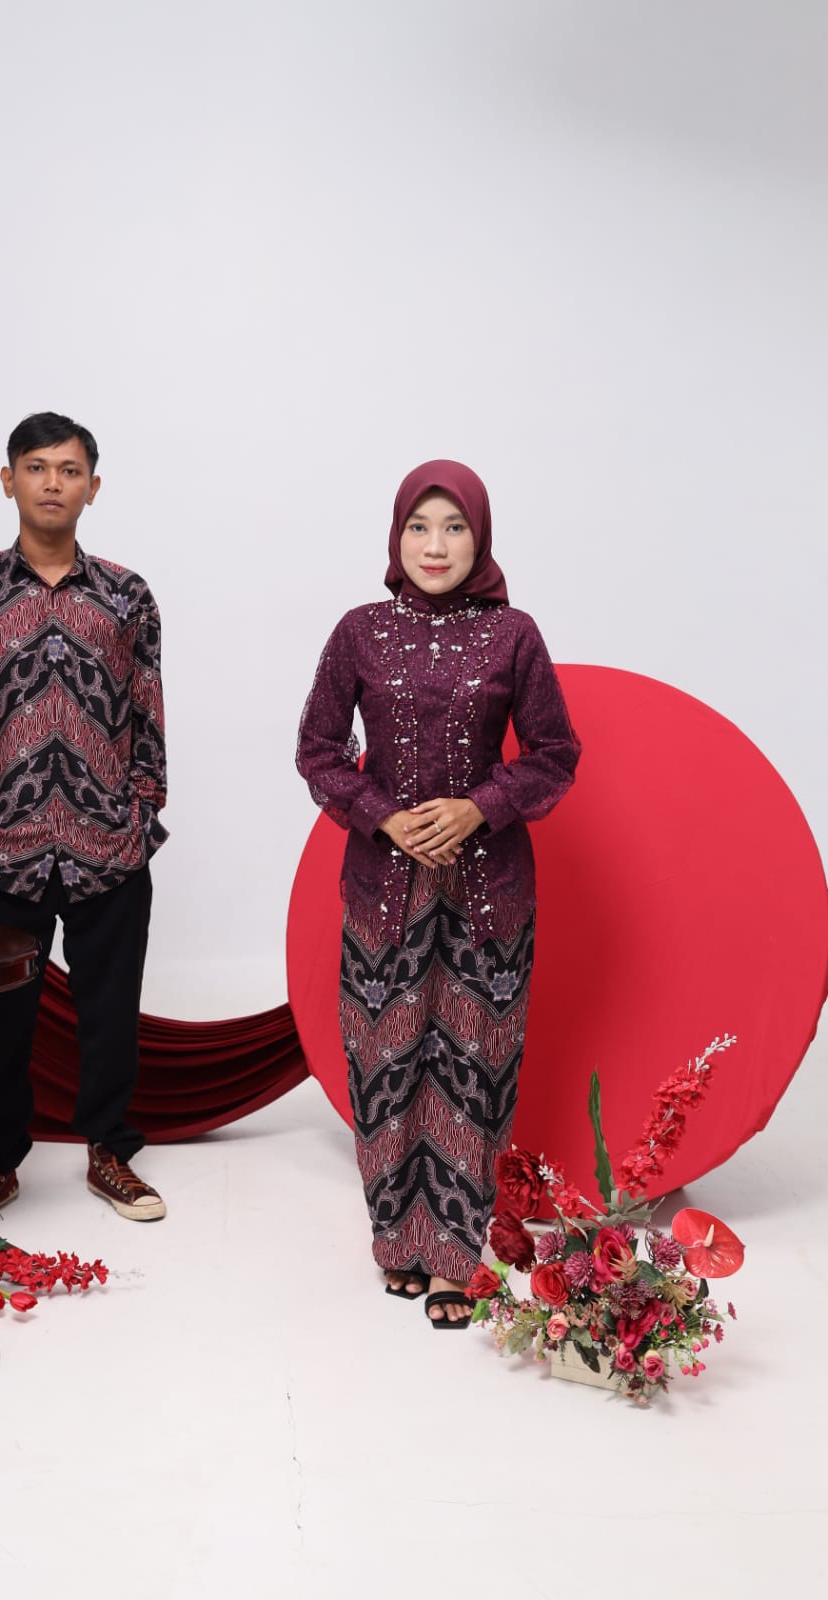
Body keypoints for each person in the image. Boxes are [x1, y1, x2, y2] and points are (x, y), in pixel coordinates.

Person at [296, 461, 580, 1325]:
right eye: (419, 526)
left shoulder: (513, 634)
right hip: (383, 887)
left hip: (486, 890)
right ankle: (398, 1243)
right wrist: (383, 815)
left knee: (471, 1064)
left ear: (479, 539)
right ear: (397, 537)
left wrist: (478, 807)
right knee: (385, 1061)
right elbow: (317, 751)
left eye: (454, 527)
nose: (435, 544)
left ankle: (455, 1256)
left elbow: (555, 754)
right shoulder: (359, 632)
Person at [0, 411, 168, 1221]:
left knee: (111, 1015)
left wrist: (140, 818)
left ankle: (111, 1156)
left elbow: (148, 713)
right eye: (36, 467)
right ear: (9, 480)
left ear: (93, 487)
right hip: (0, 850)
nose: (52, 483)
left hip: (108, 847)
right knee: (0, 1023)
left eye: (68, 470)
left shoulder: (127, 596)